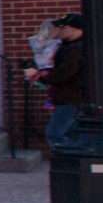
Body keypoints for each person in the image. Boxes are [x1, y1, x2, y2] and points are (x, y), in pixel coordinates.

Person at [24, 12, 88, 149]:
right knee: (71, 135)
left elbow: (64, 73)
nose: (59, 30)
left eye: (63, 27)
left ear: (75, 29)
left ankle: (68, 164)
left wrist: (42, 76)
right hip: (68, 97)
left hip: (72, 98)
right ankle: (75, 164)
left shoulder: (76, 48)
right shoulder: (65, 45)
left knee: (55, 134)